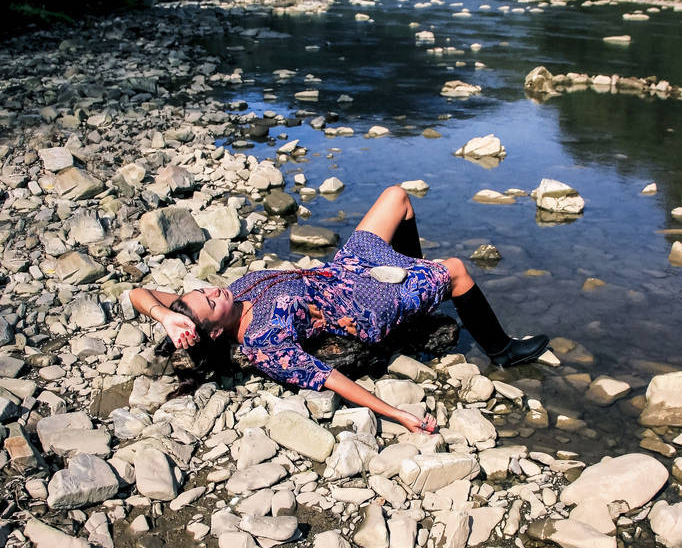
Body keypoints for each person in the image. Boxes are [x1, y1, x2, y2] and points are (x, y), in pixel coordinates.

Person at [130, 185, 548, 434]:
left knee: (397, 197)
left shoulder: (228, 296)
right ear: (215, 331)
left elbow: (137, 293)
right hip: (365, 306)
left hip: (341, 270)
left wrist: (167, 316)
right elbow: (330, 379)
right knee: (456, 270)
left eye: (207, 290)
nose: (214, 291)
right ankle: (501, 350)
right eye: (209, 301)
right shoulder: (265, 343)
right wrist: (399, 415)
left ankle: (416, 278)